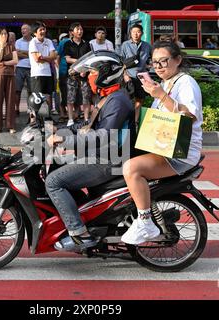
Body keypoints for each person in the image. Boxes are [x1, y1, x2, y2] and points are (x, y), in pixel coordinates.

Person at [45, 50, 136, 251]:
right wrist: (61, 130)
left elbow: (104, 136)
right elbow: (87, 126)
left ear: (106, 74)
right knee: (59, 165)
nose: (89, 77)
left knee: (53, 182)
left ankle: (79, 234)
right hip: (105, 155)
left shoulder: (117, 101)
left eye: (93, 73)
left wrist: (65, 139)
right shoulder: (109, 98)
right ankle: (87, 219)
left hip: (110, 160)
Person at [121, 40, 203, 245]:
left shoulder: (185, 83)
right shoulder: (166, 83)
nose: (158, 67)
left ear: (178, 60)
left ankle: (145, 221)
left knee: (132, 169)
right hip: (163, 146)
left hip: (179, 152)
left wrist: (161, 96)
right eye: (154, 62)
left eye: (163, 61)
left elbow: (189, 116)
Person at [120, 23, 152, 123]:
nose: (136, 34)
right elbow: (121, 61)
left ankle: (135, 121)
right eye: (133, 32)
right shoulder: (125, 45)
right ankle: (125, 120)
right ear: (130, 33)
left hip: (141, 76)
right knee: (127, 100)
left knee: (140, 99)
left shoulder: (147, 46)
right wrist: (125, 75)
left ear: (142, 33)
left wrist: (149, 65)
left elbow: (150, 59)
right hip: (129, 76)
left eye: (138, 32)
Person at [64, 22, 92, 126]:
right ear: (72, 32)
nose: (80, 31)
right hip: (72, 74)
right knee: (70, 98)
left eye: (81, 29)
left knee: (86, 97)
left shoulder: (87, 44)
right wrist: (80, 62)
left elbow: (89, 59)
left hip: (85, 74)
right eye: (77, 30)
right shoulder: (68, 44)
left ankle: (86, 118)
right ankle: (70, 119)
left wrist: (84, 70)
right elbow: (67, 59)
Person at [0, 26, 18, 134]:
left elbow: (15, 60)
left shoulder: (12, 46)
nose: (4, 36)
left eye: (6, 34)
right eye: (2, 34)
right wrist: (1, 46)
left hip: (10, 74)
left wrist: (4, 63)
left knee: (11, 100)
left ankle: (10, 125)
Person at [29, 21, 57, 118]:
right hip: (37, 74)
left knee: (48, 96)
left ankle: (47, 118)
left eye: (44, 29)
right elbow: (36, 58)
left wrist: (43, 57)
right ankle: (35, 120)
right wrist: (47, 58)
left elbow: (53, 56)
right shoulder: (33, 42)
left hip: (48, 73)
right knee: (37, 97)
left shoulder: (48, 41)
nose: (43, 31)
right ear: (34, 32)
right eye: (40, 30)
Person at [15, 24, 32, 115]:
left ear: (30, 31)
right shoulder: (18, 41)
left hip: (31, 68)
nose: (23, 30)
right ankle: (16, 108)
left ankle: (30, 108)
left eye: (25, 29)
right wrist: (29, 53)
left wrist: (23, 53)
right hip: (20, 67)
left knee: (31, 89)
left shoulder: (34, 41)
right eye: (22, 29)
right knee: (17, 89)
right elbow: (17, 54)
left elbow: (35, 55)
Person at [56, 32, 70, 123]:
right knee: (67, 93)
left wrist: (59, 67)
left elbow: (57, 57)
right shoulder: (65, 43)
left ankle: (63, 114)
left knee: (63, 93)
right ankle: (67, 114)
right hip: (65, 71)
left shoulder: (62, 42)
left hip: (63, 71)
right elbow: (58, 57)